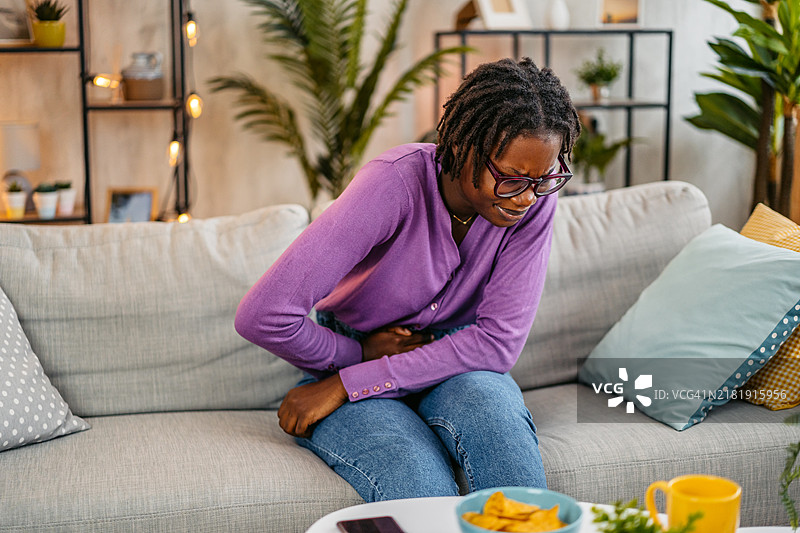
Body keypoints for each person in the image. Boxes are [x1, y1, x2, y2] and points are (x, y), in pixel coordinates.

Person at [235, 57, 581, 502]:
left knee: (500, 433)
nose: (528, 197)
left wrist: (356, 379)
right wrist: (353, 356)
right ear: (466, 147)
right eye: (512, 179)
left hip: (457, 360)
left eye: (544, 178)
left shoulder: (533, 204)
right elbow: (263, 314)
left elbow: (496, 343)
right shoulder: (392, 184)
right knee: (418, 482)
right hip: (352, 355)